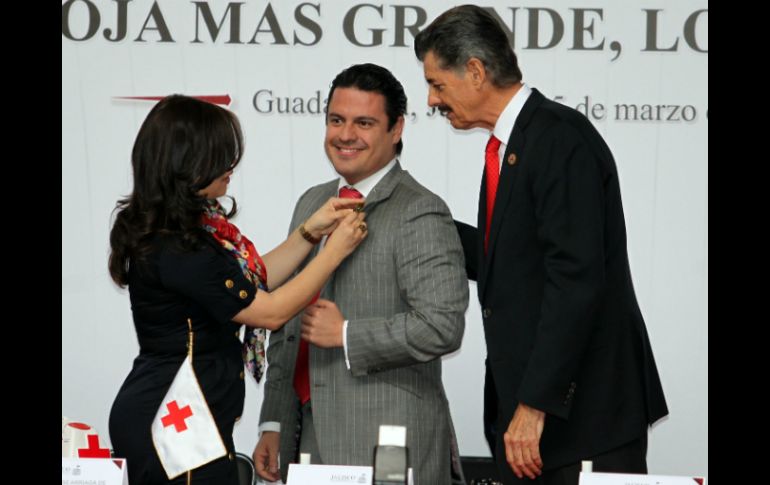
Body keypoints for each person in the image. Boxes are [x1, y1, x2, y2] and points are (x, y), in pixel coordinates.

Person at [414, 6, 669, 484]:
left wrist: (535, 404)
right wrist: (418, 221)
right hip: (540, 426)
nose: (431, 99)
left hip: (581, 420)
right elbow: (511, 263)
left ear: (475, 70)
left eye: (437, 83)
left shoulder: (558, 139)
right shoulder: (515, 144)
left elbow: (576, 280)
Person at [107, 94, 367, 484]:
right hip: (174, 419)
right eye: (220, 157)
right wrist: (333, 254)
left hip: (196, 414)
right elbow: (270, 311)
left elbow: (252, 280)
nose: (231, 167)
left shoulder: (197, 230)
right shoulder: (179, 246)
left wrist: (311, 232)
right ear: (188, 163)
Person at [253, 64, 469, 484]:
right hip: (304, 439)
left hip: (384, 442)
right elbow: (288, 324)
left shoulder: (419, 210)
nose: (345, 134)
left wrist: (347, 334)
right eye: (337, 120)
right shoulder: (312, 203)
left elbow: (442, 327)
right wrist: (274, 422)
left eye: (364, 122)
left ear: (396, 129)